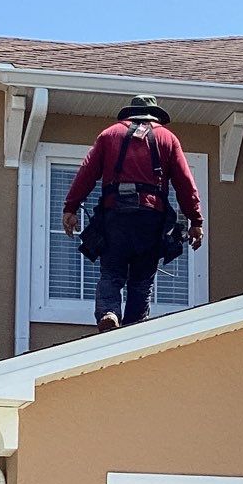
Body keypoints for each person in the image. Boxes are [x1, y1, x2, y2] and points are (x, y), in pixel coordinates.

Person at [61, 95, 204, 330]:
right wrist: (195, 220)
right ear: (155, 115)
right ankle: (134, 328)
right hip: (151, 219)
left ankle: (109, 312)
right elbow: (185, 183)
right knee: (141, 280)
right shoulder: (167, 138)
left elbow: (86, 173)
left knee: (112, 273)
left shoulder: (109, 135)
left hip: (115, 216)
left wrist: (71, 207)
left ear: (129, 113)